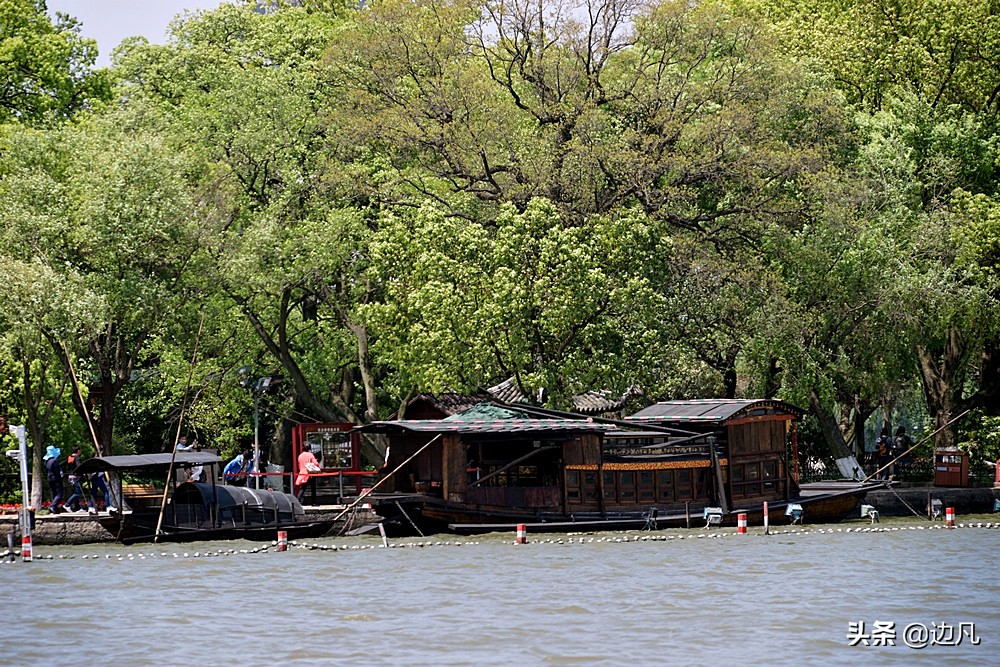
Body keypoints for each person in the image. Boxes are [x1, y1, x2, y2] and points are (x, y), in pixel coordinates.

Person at [64, 445, 86, 512]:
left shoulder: (70, 457)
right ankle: (67, 505)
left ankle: (78, 508)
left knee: (75, 492)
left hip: (70, 477)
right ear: (78, 450)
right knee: (78, 493)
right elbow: (79, 467)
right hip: (75, 477)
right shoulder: (77, 458)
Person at [43, 445, 65, 513]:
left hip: (49, 478)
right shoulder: (54, 461)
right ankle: (53, 505)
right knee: (60, 493)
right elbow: (57, 472)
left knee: (53, 492)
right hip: (56, 478)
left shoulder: (46, 461)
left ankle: (54, 507)